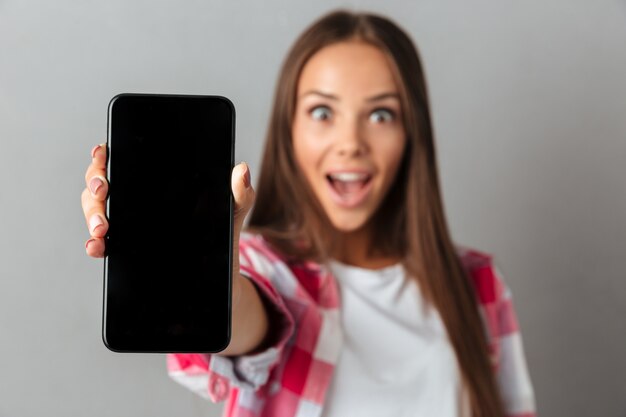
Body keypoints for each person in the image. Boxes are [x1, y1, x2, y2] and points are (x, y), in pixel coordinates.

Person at [81, 9, 536, 417]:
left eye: (380, 115)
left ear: (411, 133)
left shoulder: (478, 284)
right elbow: (246, 326)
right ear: (289, 131)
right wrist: (206, 255)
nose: (350, 142)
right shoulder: (262, 268)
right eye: (322, 111)